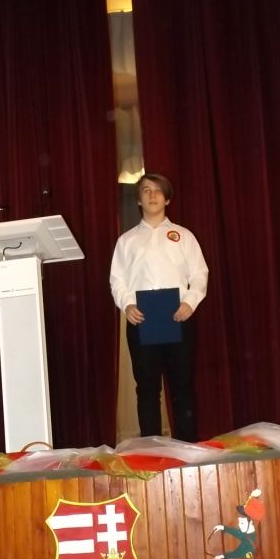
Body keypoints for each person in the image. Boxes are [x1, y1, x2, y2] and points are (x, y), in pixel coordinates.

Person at [110, 173, 208, 442]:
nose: (152, 195)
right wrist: (127, 304)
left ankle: (188, 445)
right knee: (147, 388)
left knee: (182, 385)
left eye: (157, 190)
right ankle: (151, 447)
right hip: (142, 319)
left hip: (179, 316)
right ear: (138, 200)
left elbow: (199, 273)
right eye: (146, 190)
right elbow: (117, 280)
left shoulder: (184, 236)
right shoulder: (126, 241)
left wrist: (189, 302)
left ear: (167, 199)